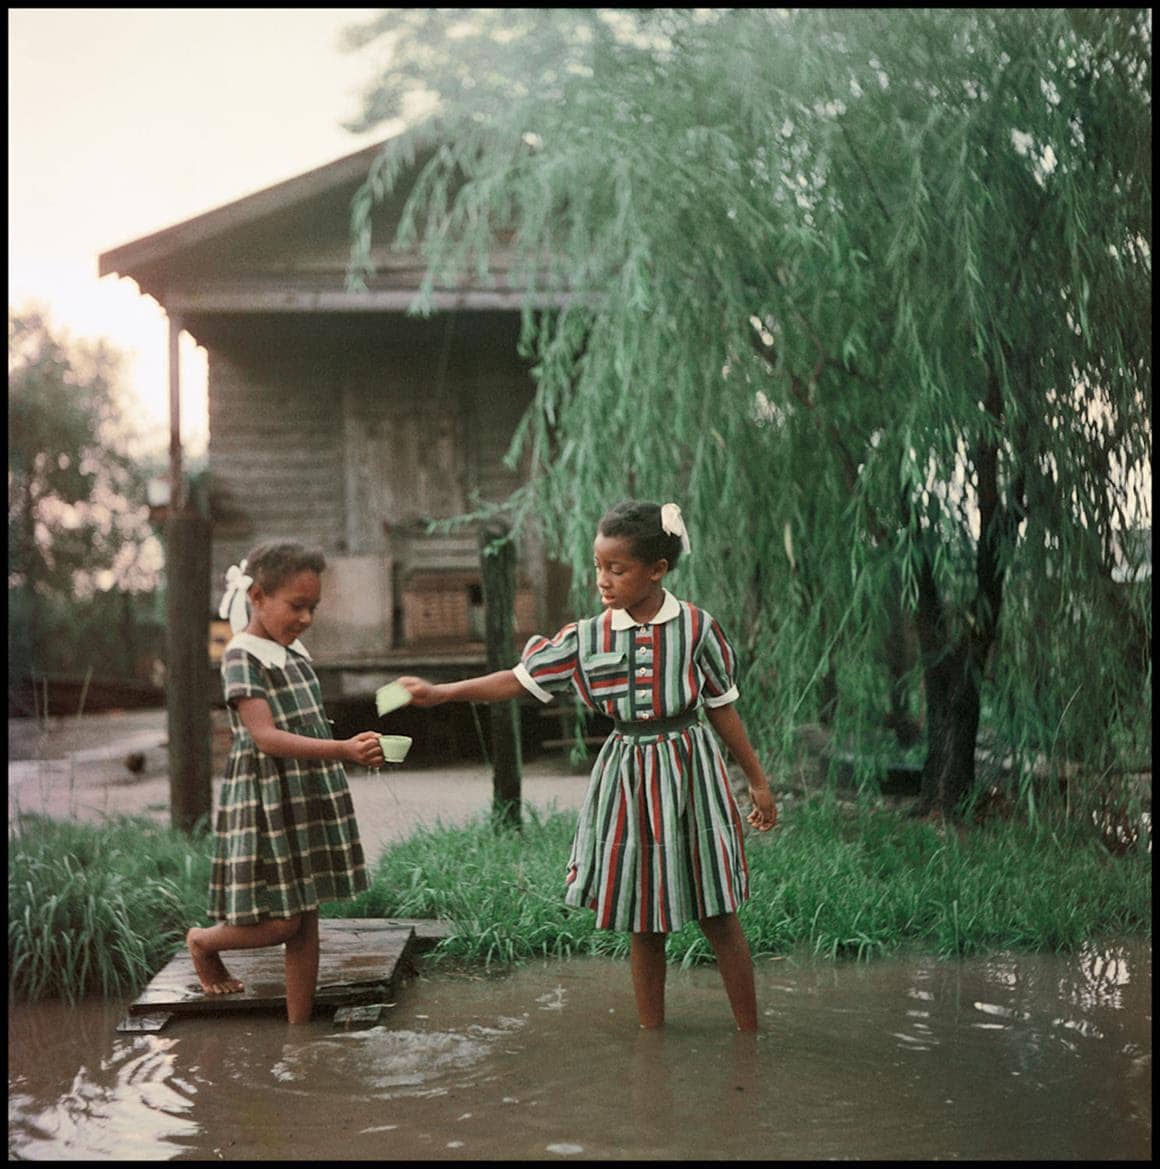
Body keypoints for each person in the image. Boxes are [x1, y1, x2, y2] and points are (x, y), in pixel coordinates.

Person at [397, 500, 778, 1031]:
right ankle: (653, 1038)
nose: (602, 579)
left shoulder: (696, 627)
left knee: (718, 912)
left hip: (692, 773)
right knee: (644, 920)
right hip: (629, 780)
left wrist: (757, 782)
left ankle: (750, 1033)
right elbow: (518, 678)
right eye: (598, 566)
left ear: (656, 570)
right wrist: (443, 693)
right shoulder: (588, 635)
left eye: (617, 569)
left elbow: (723, 707)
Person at [186, 541, 384, 1023]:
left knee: (306, 919)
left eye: (313, 607)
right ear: (257, 596)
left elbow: (308, 721)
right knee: (282, 920)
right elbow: (266, 736)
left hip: (306, 793)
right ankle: (203, 941)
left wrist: (356, 747)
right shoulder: (241, 655)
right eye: (297, 606)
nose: (307, 618)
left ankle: (299, 1032)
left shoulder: (294, 650)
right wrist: (342, 751)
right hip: (267, 796)